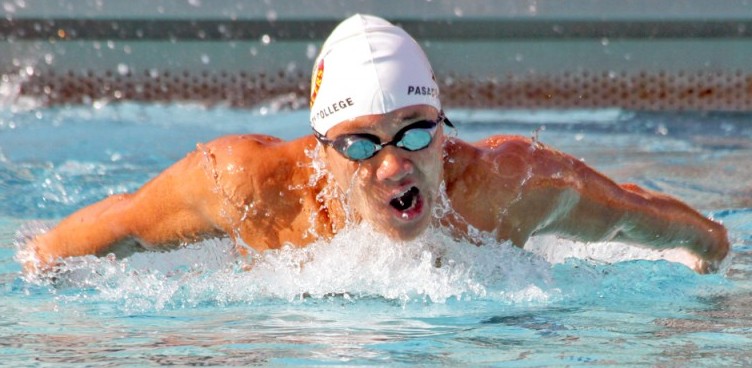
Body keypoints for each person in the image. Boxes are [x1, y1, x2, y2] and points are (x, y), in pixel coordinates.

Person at [25, 14, 729, 275]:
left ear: (443, 127)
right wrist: (34, 268)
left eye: (417, 132)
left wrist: (709, 252)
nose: (395, 163)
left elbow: (637, 213)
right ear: (322, 147)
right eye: (360, 144)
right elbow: (119, 224)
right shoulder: (244, 187)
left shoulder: (511, 187)